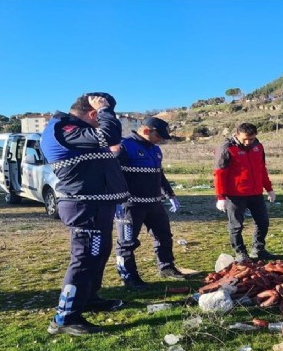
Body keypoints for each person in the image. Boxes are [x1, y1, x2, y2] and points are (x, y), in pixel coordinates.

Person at [41, 93, 130, 336]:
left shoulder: (77, 132)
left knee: (98, 254)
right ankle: (65, 318)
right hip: (84, 206)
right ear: (93, 113)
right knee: (84, 259)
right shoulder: (66, 128)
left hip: (97, 205)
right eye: (100, 115)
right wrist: (105, 110)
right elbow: (108, 134)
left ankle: (88, 298)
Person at [114, 116, 185, 289]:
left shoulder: (155, 150)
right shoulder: (124, 147)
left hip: (154, 203)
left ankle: (166, 267)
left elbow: (159, 174)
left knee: (164, 237)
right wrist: (115, 200)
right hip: (130, 205)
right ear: (146, 131)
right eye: (158, 136)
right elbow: (112, 174)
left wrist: (170, 194)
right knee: (127, 242)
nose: (160, 140)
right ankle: (129, 277)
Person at [213, 122, 276, 263]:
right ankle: (240, 252)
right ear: (236, 134)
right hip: (235, 195)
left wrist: (269, 188)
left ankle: (258, 249)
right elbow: (219, 174)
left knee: (263, 222)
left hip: (255, 193)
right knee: (236, 225)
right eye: (244, 139)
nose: (248, 142)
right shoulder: (227, 148)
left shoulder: (258, 147)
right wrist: (220, 196)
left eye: (251, 139)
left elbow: (262, 169)